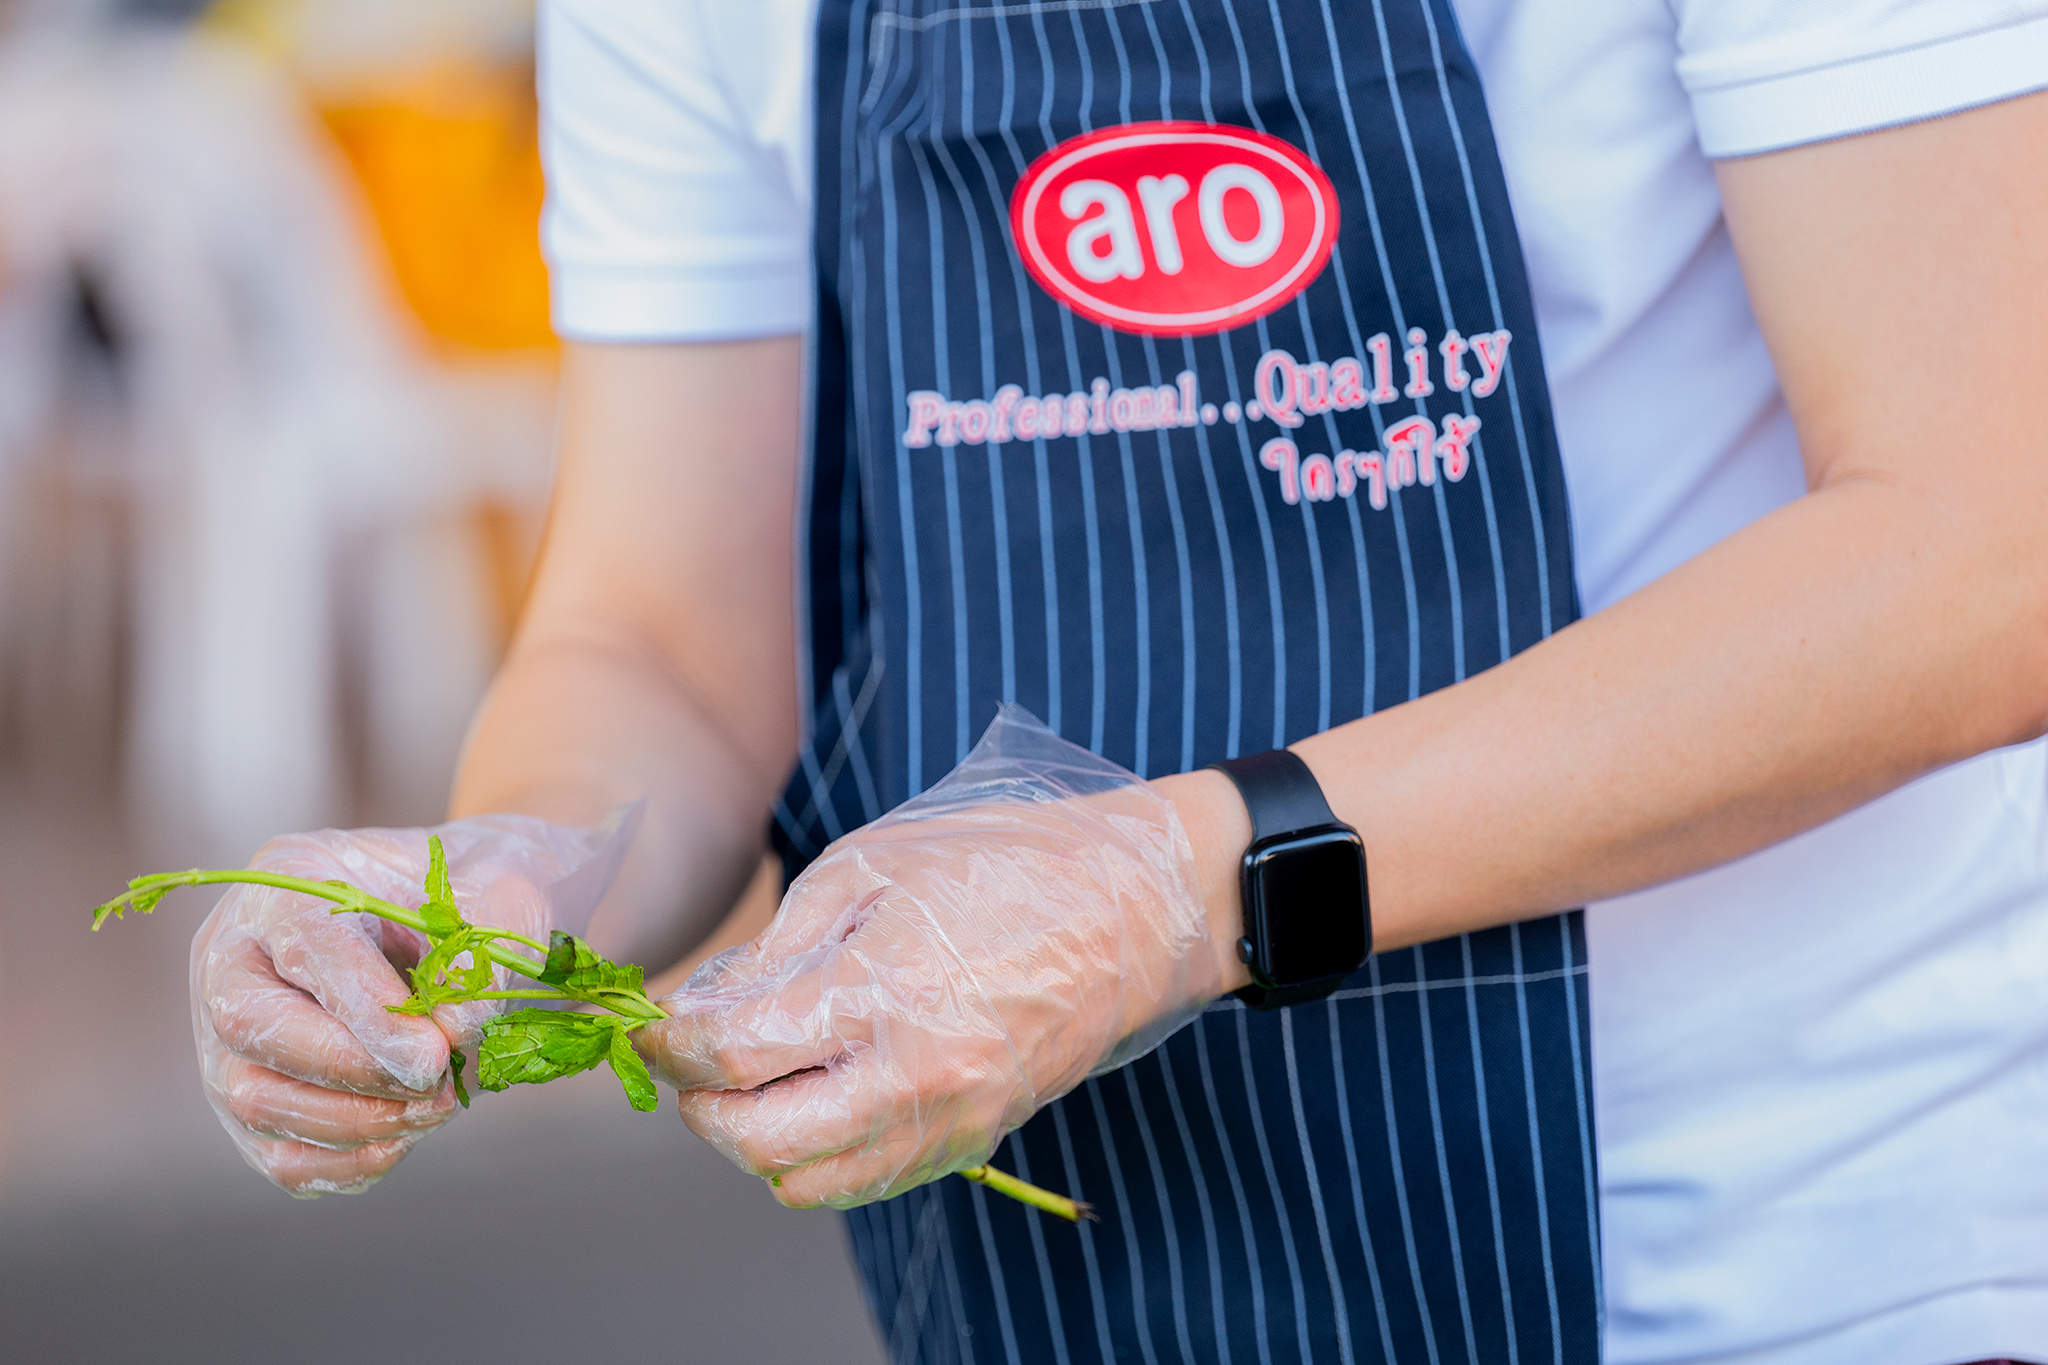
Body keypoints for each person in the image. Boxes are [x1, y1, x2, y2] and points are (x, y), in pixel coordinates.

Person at [185, 0, 2048, 1361]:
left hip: (1782, 1270)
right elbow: (659, 634)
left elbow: (1986, 548)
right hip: (1075, 1306)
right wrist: (497, 890)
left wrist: (1175, 885)